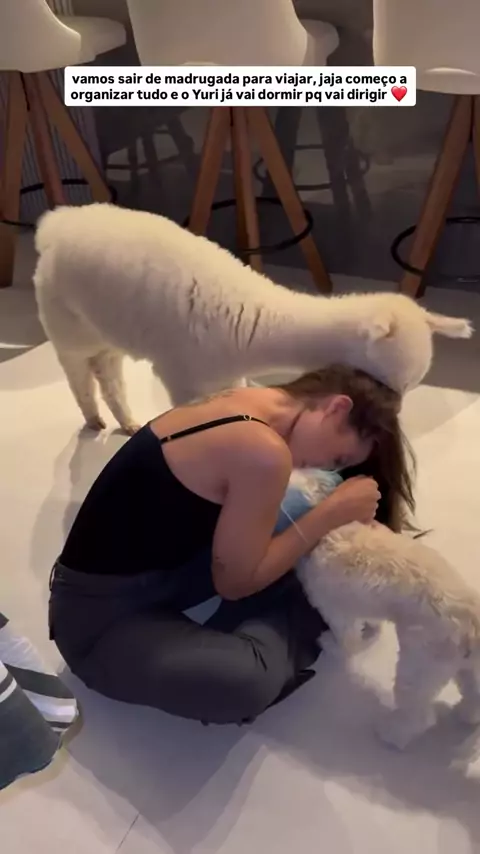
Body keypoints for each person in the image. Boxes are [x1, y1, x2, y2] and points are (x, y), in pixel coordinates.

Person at [48, 364, 415, 725]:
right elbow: (234, 586)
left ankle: (295, 603)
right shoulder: (263, 450)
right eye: (338, 459)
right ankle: (301, 616)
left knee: (285, 547)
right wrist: (329, 515)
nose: (327, 467)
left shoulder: (245, 398)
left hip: (168, 568)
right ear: (337, 408)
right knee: (249, 682)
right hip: (96, 625)